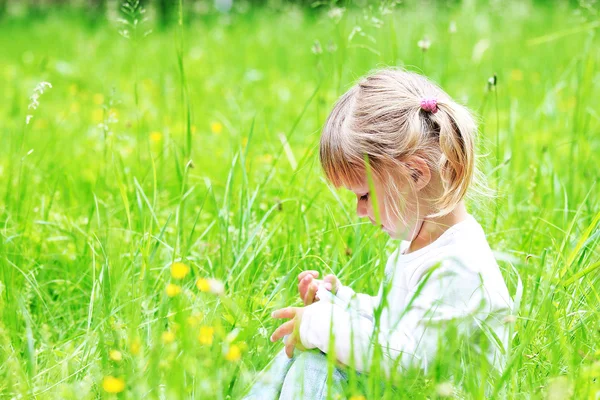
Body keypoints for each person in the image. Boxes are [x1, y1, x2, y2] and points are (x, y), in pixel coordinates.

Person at [244, 68, 513, 399]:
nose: (359, 211)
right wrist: (341, 303)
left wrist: (323, 326)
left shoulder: (459, 267)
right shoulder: (419, 245)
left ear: (414, 174)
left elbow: (407, 361)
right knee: (307, 351)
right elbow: (392, 324)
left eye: (364, 195)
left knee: (314, 361)